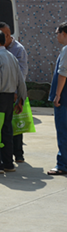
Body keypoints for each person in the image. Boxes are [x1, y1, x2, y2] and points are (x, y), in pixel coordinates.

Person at [0, 30, 27, 174]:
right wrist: (21, 99)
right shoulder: (11, 56)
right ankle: (8, 163)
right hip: (10, 97)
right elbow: (21, 81)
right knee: (7, 131)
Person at [0, 21, 29, 164]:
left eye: (6, 35)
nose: (5, 37)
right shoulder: (0, 52)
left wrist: (19, 94)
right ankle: (1, 155)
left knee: (14, 125)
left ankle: (17, 154)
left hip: (12, 92)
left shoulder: (18, 50)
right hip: (6, 92)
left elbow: (22, 74)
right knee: (4, 126)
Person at [48, 22, 67, 176]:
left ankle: (62, 164)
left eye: (57, 33)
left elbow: (63, 73)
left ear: (64, 34)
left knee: (63, 131)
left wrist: (58, 94)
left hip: (64, 98)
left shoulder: (66, 50)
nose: (56, 36)